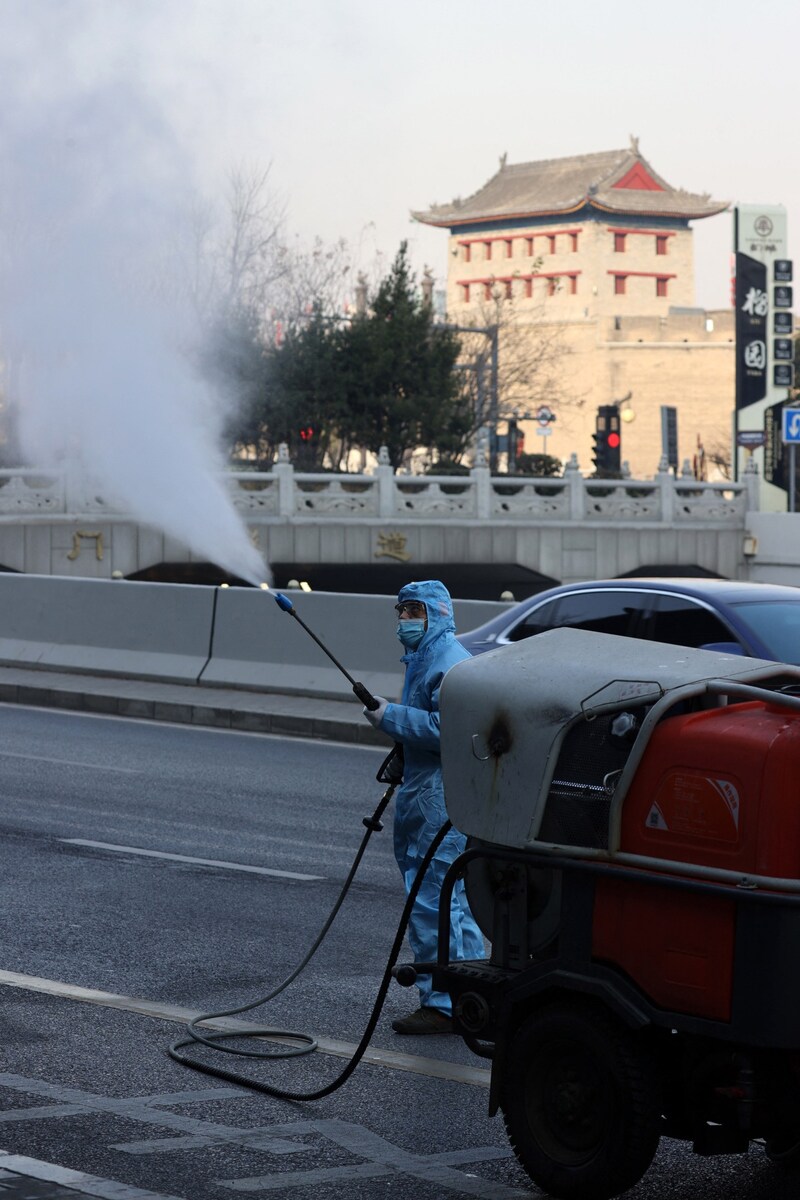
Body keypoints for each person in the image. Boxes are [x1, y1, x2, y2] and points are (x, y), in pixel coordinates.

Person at [363, 580, 486, 1035]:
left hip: (438, 800)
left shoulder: (448, 662)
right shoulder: (426, 659)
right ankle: (474, 995)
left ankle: (443, 1003)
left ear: (436, 613)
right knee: (453, 901)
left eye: (413, 611)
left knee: (434, 901)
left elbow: (446, 729)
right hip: (427, 791)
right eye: (400, 611)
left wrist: (389, 717)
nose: (404, 620)